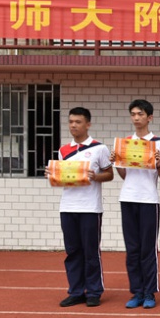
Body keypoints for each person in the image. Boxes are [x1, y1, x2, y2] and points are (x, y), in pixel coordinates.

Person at [51, 107, 114, 307]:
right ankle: (76, 291)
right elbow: (62, 178)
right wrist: (53, 175)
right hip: (68, 207)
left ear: (88, 124)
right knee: (72, 251)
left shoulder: (99, 148)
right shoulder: (63, 150)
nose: (73, 125)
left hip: (90, 208)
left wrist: (96, 176)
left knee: (91, 252)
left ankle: (94, 291)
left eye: (78, 122)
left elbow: (110, 174)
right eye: (71, 122)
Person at [110, 99, 160, 310]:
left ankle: (150, 292)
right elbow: (124, 175)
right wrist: (116, 161)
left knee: (148, 249)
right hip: (128, 198)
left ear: (149, 117)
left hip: (149, 200)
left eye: (140, 114)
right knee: (132, 248)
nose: (136, 118)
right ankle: (137, 291)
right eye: (133, 114)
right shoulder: (125, 143)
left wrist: (159, 163)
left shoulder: (158, 142)